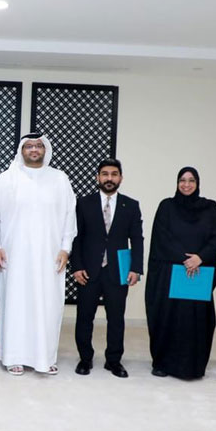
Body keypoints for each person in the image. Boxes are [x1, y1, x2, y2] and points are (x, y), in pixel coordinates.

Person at [0, 133, 77, 376]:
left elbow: (70, 215)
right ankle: (13, 356)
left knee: (48, 305)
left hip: (50, 256)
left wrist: (65, 248)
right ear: (22, 150)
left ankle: (45, 357)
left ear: (45, 149)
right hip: (13, 256)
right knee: (15, 303)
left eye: (39, 145)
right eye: (29, 146)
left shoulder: (59, 179)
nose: (34, 149)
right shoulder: (7, 179)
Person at [145, 167, 216, 379]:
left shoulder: (210, 209)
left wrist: (200, 258)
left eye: (191, 180)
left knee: (196, 322)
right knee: (168, 319)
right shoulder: (166, 207)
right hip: (171, 274)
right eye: (182, 180)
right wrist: (186, 259)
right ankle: (162, 363)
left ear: (198, 183)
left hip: (198, 274)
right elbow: (161, 237)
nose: (186, 184)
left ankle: (193, 367)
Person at [70, 159, 144, 378]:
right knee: (85, 317)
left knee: (116, 318)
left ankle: (113, 361)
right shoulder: (83, 203)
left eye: (114, 174)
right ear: (98, 177)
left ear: (121, 178)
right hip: (88, 271)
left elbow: (137, 239)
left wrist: (136, 268)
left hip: (118, 271)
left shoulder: (131, 205)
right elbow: (76, 237)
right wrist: (77, 267)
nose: (109, 178)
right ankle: (85, 358)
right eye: (105, 174)